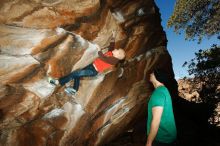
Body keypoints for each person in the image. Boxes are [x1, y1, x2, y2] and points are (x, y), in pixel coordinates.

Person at [48, 31, 125, 95]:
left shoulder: (113, 60)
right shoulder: (111, 53)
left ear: (117, 56)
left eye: (117, 51)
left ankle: (58, 82)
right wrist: (113, 37)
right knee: (77, 75)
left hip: (93, 71)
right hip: (91, 66)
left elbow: (104, 58)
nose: (116, 49)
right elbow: (111, 47)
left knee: (76, 73)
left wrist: (99, 52)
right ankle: (74, 90)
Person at [146, 69, 177, 146]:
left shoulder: (158, 93)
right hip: (169, 136)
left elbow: (156, 120)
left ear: (157, 77)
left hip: (161, 138)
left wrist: (149, 142)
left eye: (152, 73)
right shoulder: (164, 90)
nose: (150, 74)